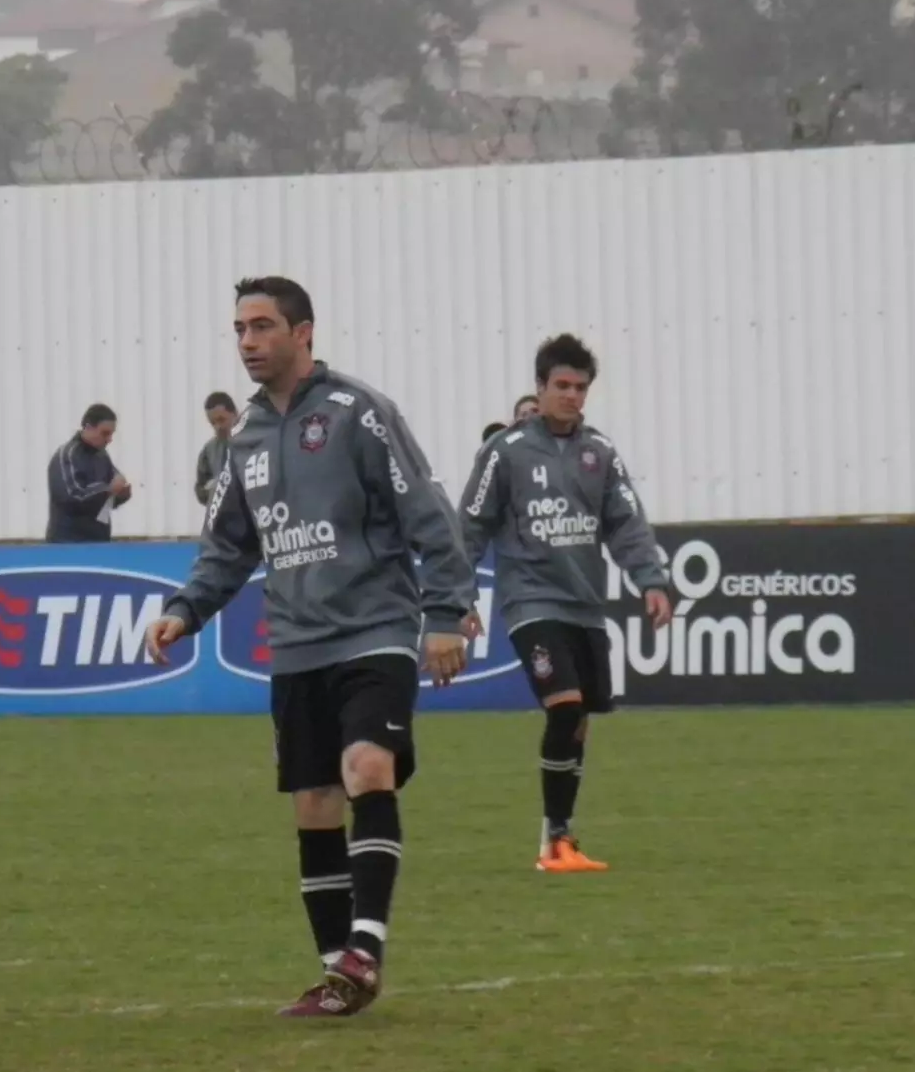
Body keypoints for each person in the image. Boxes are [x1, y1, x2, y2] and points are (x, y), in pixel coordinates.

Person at [146, 276, 475, 1018]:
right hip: (295, 646)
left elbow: (426, 511)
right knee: (315, 804)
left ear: (304, 333)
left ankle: (365, 946)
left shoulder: (359, 413)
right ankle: (339, 974)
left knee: (366, 767)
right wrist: (185, 609)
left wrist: (448, 612)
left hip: (374, 631)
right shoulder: (244, 442)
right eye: (239, 329)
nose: (248, 342)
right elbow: (228, 546)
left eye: (262, 326)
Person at [460, 334, 674, 874]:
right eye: (562, 386)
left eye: (581, 387)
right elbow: (471, 527)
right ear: (540, 386)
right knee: (566, 705)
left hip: (585, 604)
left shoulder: (599, 452)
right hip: (531, 599)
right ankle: (557, 838)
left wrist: (650, 580)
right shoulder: (504, 452)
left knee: (579, 722)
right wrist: (455, 596)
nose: (572, 396)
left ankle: (556, 838)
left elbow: (625, 522)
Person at [46, 403, 131, 542]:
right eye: (105, 433)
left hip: (98, 540)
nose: (109, 439)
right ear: (88, 427)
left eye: (111, 434)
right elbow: (72, 496)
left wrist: (122, 493)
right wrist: (108, 490)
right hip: (68, 543)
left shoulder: (102, 456)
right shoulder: (67, 456)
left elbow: (109, 498)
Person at [193, 390, 240, 506]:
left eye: (221, 420)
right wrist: (212, 490)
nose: (218, 427)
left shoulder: (257, 440)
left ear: (235, 414)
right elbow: (201, 488)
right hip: (225, 520)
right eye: (213, 423)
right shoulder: (209, 450)